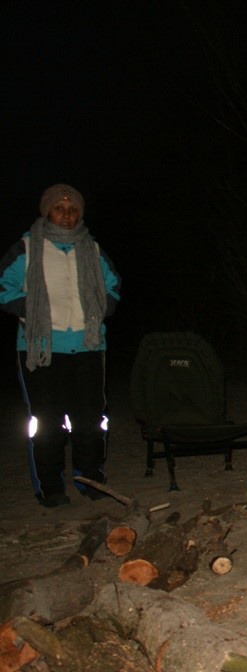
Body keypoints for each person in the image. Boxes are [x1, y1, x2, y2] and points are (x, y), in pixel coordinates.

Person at [0, 184, 121, 508]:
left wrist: (104, 305)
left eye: (73, 209)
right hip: (41, 347)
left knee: (90, 419)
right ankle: (51, 487)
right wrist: (26, 308)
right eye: (59, 208)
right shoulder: (27, 248)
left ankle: (89, 478)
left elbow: (113, 285)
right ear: (47, 211)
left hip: (87, 344)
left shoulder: (92, 249)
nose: (66, 215)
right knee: (46, 422)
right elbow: (4, 286)